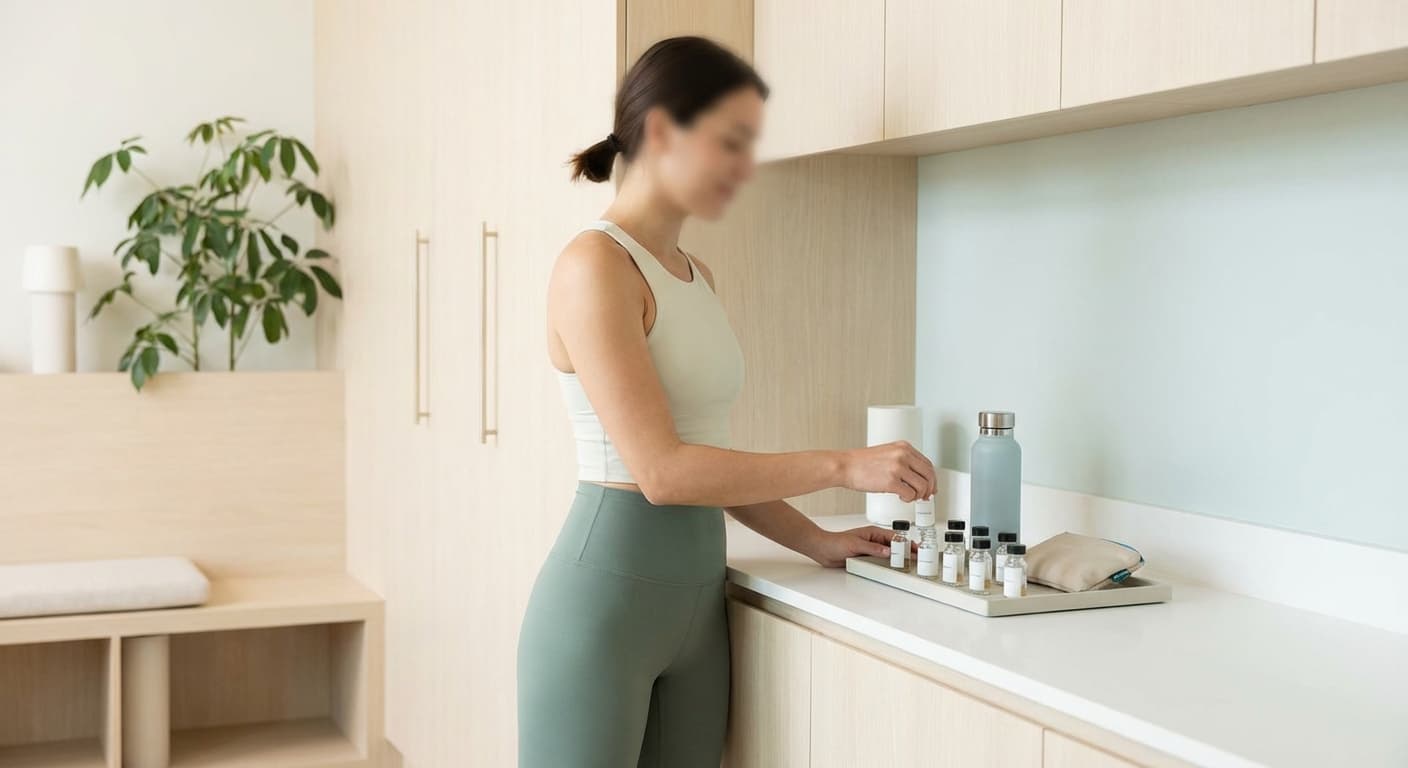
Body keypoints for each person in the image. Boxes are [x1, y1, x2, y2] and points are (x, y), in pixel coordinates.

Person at [517, 36, 936, 768]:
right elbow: (664, 473)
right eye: (730, 143)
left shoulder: (694, 274)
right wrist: (841, 464)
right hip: (602, 609)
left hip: (696, 609)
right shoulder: (594, 265)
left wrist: (818, 542)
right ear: (660, 133)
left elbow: (712, 460)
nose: (745, 168)